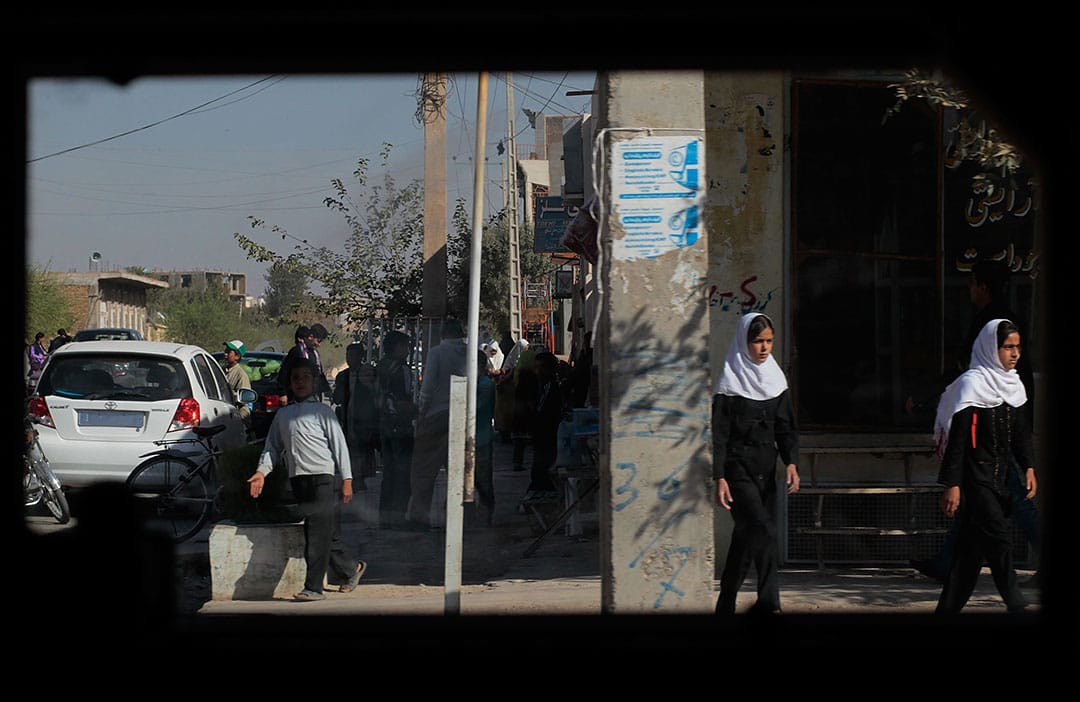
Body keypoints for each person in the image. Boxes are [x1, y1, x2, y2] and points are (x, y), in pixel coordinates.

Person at [911, 258, 1042, 585]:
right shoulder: (1000, 323)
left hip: (994, 431)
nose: (1013, 353)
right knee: (977, 500)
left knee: (1015, 499)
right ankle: (947, 564)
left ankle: (954, 566)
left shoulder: (992, 327)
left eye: (972, 283)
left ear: (983, 287)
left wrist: (929, 396)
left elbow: (967, 373)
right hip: (991, 430)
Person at [932, 318, 1035, 614]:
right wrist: (952, 484)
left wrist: (1028, 466)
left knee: (969, 555)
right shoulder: (972, 385)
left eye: (1018, 347)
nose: (1015, 354)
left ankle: (946, 611)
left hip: (1001, 478)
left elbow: (1020, 434)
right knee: (999, 538)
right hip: (975, 478)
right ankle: (1016, 603)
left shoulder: (1013, 385)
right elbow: (958, 441)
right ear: (991, 348)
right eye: (1008, 347)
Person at [247, 358, 366, 601]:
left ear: (314, 382)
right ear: (290, 383)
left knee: (317, 533)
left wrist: (347, 479)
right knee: (324, 530)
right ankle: (350, 568)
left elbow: (339, 445)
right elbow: (272, 448)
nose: (300, 382)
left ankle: (313, 588)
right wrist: (261, 472)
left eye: (305, 377)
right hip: (298, 479)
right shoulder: (283, 415)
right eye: (295, 378)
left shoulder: (322, 412)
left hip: (323, 478)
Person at [712, 312, 800, 615]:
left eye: (769, 341)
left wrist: (791, 462)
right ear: (744, 342)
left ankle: (725, 604)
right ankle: (770, 604)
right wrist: (719, 476)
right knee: (764, 532)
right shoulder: (729, 383)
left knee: (745, 538)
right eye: (758, 341)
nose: (764, 348)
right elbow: (719, 435)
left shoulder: (776, 380)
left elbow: (785, 426)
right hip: (737, 471)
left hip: (766, 470)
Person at [405, 318, 468, 530]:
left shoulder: (437, 352)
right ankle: (456, 514)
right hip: (462, 415)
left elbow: (428, 387)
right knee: (458, 469)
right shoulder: (469, 353)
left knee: (424, 469)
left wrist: (421, 413)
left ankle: (420, 515)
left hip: (436, 415)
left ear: (442, 333)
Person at [374, 330, 417, 529]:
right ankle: (398, 517)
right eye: (405, 346)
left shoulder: (381, 366)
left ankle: (385, 518)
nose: (408, 350)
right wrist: (417, 410)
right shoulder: (401, 369)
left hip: (384, 425)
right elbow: (403, 399)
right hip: (401, 425)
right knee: (403, 474)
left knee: (389, 474)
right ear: (396, 347)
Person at [333, 342, 379, 492]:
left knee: (363, 447)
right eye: (348, 355)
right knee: (349, 447)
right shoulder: (342, 376)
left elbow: (375, 393)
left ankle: (360, 477)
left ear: (360, 357)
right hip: (347, 416)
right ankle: (351, 477)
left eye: (353, 355)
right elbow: (337, 397)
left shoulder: (368, 373)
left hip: (364, 418)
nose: (349, 359)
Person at [523, 350, 564, 502]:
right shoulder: (541, 386)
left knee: (542, 468)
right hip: (540, 435)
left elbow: (548, 413)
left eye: (541, 368)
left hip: (547, 435)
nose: (537, 372)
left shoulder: (553, 388)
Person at [473, 348, 498, 525]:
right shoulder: (478, 383)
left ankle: (486, 511)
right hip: (475, 436)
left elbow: (476, 408)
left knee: (483, 479)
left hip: (481, 437)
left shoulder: (485, 385)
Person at [509, 340, 537, 472]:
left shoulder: (518, 374)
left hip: (518, 413)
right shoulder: (531, 377)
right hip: (526, 413)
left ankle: (517, 462)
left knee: (519, 441)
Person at [221, 339, 252, 428]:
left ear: (237, 356)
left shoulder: (241, 375)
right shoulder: (222, 370)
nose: (225, 354)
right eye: (225, 351)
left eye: (228, 352)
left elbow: (244, 399)